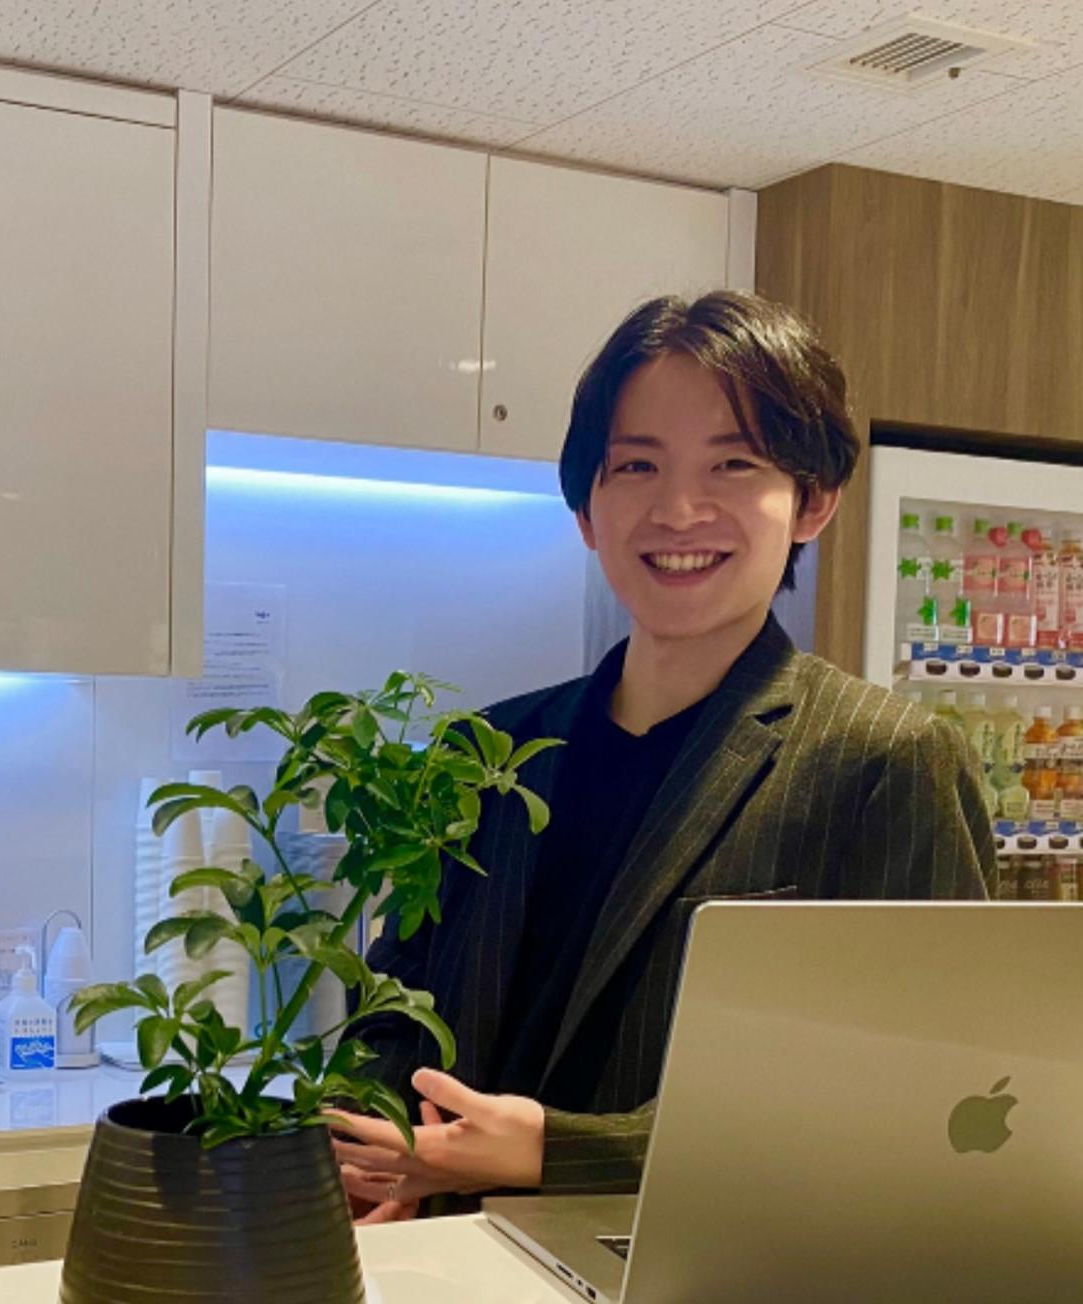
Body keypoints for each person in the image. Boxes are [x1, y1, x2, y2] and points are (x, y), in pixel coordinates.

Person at [330, 291, 992, 1217]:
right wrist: (365, 1146)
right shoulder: (481, 752)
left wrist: (557, 1152)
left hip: (689, 1264)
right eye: (637, 465)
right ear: (587, 509)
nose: (679, 510)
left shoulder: (885, 761)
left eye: (734, 463)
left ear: (813, 501)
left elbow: (910, 1096)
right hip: (442, 1262)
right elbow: (395, 1008)